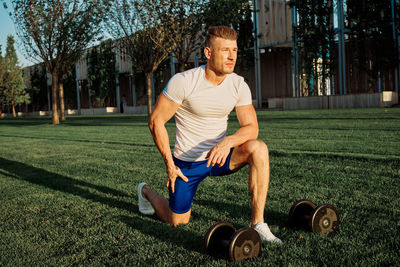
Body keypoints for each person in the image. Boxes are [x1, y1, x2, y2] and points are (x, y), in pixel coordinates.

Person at [137, 26, 281, 243]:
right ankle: (146, 191)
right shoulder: (184, 82)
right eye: (224, 50)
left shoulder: (238, 84)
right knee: (176, 221)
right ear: (208, 53)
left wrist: (227, 142)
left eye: (234, 50)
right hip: (187, 164)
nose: (231, 56)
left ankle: (258, 224)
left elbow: (251, 127)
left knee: (258, 148)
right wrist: (169, 164)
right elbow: (156, 121)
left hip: (220, 157)